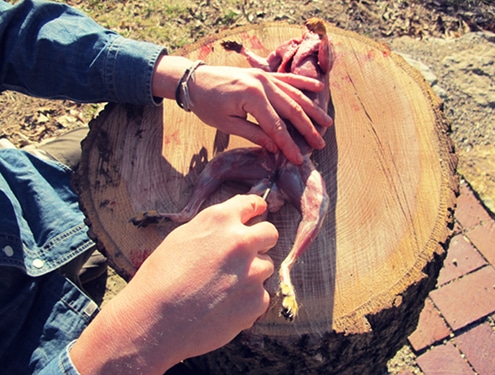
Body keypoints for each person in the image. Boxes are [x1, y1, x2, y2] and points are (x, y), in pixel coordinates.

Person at [0, 0, 332, 374]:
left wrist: (179, 78)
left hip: (30, 190)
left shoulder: (309, 57)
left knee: (96, 247)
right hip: (48, 352)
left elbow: (12, 31)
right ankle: (205, 227)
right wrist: (139, 336)